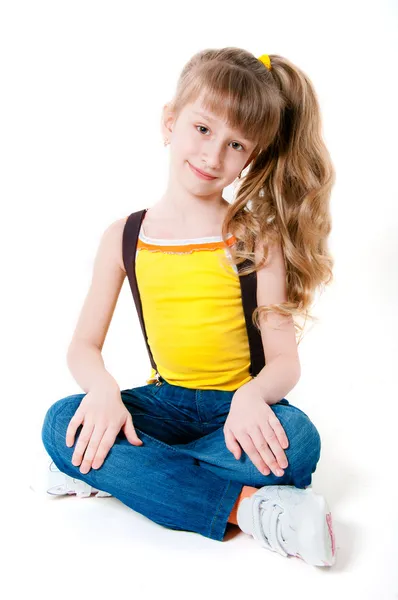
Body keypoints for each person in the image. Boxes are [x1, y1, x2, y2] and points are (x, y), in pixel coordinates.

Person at [40, 47, 337, 567]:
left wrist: (253, 396)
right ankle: (252, 510)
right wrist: (104, 391)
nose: (212, 155)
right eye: (202, 130)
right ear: (170, 123)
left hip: (235, 412)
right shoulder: (123, 237)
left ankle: (113, 471)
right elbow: (83, 346)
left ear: (251, 158)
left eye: (235, 144)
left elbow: (285, 361)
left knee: (300, 442)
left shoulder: (256, 243)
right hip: (165, 404)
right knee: (61, 420)